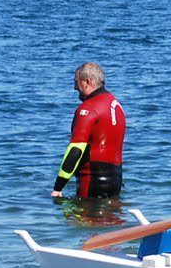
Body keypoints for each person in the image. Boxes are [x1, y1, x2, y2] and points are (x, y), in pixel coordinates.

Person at [51, 62, 125, 199]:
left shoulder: (88, 108)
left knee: (82, 220)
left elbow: (75, 150)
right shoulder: (115, 104)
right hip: (116, 181)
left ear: (87, 82)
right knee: (111, 219)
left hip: (92, 184)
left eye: (76, 82)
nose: (74, 88)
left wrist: (58, 187)